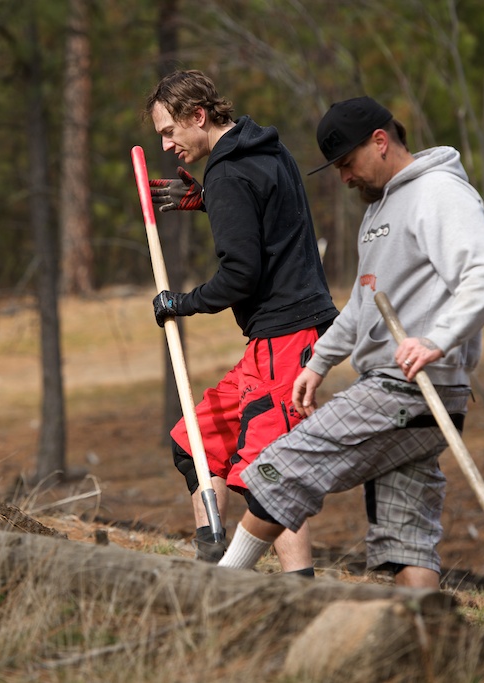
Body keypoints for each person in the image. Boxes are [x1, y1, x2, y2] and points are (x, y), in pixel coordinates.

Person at [216, 96, 484, 588]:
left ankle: (215, 592)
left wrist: (436, 340)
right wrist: (319, 362)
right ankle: (431, 652)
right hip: (409, 399)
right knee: (406, 542)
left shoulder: (439, 192)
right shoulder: (378, 213)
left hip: (411, 390)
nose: (344, 178)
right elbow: (361, 304)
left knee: (279, 467)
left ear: (380, 142)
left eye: (347, 164)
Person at [143, 70, 338, 573]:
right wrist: (210, 200)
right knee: (196, 440)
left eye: (169, 131)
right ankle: (212, 558)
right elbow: (269, 211)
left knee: (270, 470)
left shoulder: (229, 174)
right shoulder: (268, 151)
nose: (166, 145)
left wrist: (178, 304)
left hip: (287, 335)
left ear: (198, 116)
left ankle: (297, 591)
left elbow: (239, 278)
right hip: (271, 340)